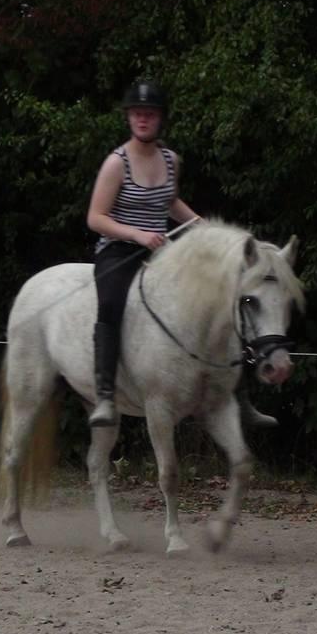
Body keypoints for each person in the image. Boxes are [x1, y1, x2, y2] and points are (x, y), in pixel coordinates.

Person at [86, 79, 200, 427]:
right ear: (129, 118)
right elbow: (95, 218)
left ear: (160, 119)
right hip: (119, 249)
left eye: (149, 114)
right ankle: (105, 394)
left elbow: (170, 201)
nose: (143, 119)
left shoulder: (170, 160)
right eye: (137, 113)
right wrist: (137, 234)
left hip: (159, 250)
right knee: (109, 302)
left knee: (209, 292)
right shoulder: (115, 163)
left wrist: (200, 224)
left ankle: (229, 391)